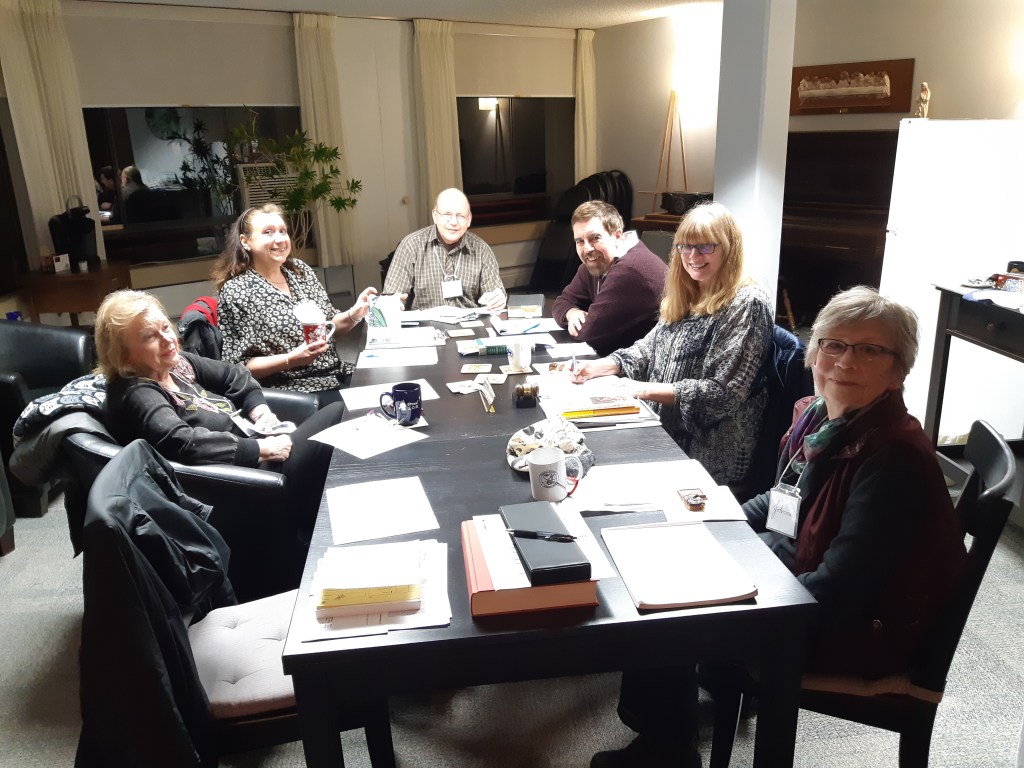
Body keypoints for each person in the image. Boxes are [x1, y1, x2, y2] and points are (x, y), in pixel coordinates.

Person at [590, 286, 967, 768]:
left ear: (900, 368)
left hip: (861, 631)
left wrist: (734, 593)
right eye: (834, 344)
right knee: (664, 557)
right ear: (815, 352)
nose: (845, 361)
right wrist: (711, 518)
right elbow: (786, 498)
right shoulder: (825, 417)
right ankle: (666, 736)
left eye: (870, 350)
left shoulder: (892, 457)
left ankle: (667, 751)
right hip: (807, 579)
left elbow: (839, 591)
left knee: (671, 607)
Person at [95, 289, 344, 546]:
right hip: (241, 480)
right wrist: (260, 449)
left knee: (330, 450)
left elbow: (234, 374)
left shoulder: (175, 365)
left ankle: (313, 532)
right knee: (336, 413)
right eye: (150, 336)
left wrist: (261, 413)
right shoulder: (137, 392)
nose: (167, 339)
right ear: (123, 356)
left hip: (257, 452)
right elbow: (182, 442)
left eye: (165, 327)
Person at [570, 202, 772, 488]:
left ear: (730, 249)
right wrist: (603, 366)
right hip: (661, 427)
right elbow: (649, 348)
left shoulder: (747, 304)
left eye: (705, 247)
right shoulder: (688, 290)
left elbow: (723, 394)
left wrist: (641, 389)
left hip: (707, 449)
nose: (692, 256)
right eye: (685, 247)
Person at [214, 203, 376, 407]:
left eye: (283, 231)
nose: (280, 239)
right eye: (268, 232)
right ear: (246, 242)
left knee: (388, 391)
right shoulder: (237, 291)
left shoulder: (299, 271)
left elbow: (329, 327)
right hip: (292, 389)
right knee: (366, 411)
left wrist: (355, 313)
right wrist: (291, 359)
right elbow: (239, 368)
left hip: (334, 375)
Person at [552, 200, 666, 355]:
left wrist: (580, 320)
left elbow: (588, 334)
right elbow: (562, 302)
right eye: (580, 241)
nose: (587, 249)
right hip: (621, 358)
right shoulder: (596, 263)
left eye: (595, 238)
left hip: (647, 366)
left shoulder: (630, 270)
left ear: (617, 235)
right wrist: (572, 313)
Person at [382, 188, 506, 311]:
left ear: (469, 220)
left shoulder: (482, 250)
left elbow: (495, 294)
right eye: (447, 215)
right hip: (424, 322)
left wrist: (498, 300)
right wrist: (393, 304)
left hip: (471, 321)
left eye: (460, 216)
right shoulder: (411, 246)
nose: (453, 222)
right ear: (435, 216)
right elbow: (391, 297)